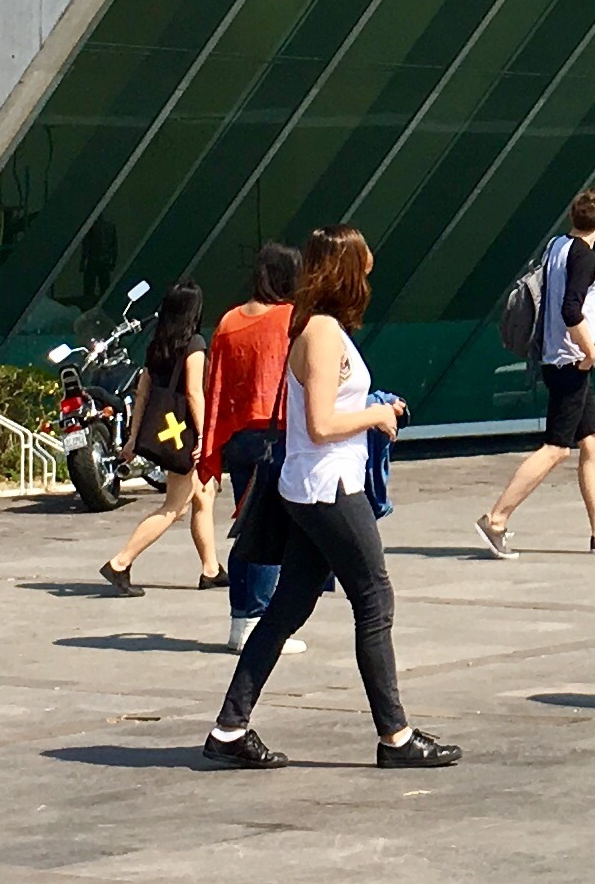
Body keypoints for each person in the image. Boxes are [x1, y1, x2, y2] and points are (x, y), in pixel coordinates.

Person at [202, 227, 459, 769]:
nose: (369, 278)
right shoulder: (320, 331)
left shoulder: (323, 328)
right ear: (344, 272)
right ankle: (395, 736)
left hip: (315, 486)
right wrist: (378, 415)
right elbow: (320, 423)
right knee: (374, 600)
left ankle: (229, 727)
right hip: (328, 489)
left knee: (288, 607)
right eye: (363, 268)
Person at [476, 190, 595, 558]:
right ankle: (496, 518)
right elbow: (571, 311)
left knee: (593, 441)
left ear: (572, 216)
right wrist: (590, 351)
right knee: (555, 449)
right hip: (569, 361)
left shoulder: (557, 246)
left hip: (555, 356)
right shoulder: (585, 257)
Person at [192, 243, 302, 622]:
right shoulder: (292, 319)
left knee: (248, 527)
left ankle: (241, 617)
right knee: (270, 532)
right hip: (279, 436)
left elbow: (217, 385)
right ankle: (258, 617)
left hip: (237, 437)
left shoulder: (228, 321)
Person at [100, 281, 222, 593]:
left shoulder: (157, 345)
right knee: (174, 507)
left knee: (204, 495)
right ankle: (120, 562)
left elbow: (142, 393)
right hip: (186, 434)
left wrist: (132, 437)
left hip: (167, 432)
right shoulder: (194, 344)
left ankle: (210, 568)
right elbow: (195, 393)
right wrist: (207, 437)